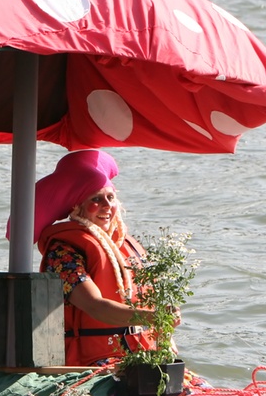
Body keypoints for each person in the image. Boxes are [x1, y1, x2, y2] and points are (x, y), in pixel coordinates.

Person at [31, 149, 172, 367]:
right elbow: (94, 306)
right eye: (96, 199)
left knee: (195, 390)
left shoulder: (126, 245)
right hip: (90, 362)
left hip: (142, 354)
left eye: (110, 197)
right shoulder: (62, 252)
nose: (107, 206)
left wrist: (165, 334)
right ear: (76, 207)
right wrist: (155, 317)